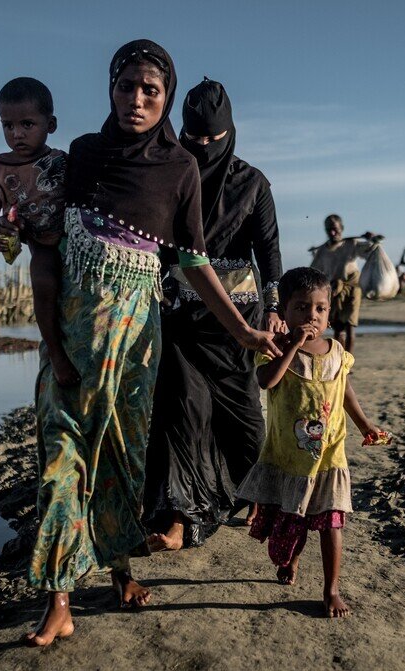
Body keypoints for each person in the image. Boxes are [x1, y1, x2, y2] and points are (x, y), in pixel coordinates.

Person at [0, 39, 281, 647]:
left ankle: (119, 571)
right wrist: (51, 338)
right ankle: (60, 602)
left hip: (133, 351)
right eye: (127, 86)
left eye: (151, 90)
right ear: (110, 89)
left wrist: (247, 329)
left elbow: (196, 263)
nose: (137, 100)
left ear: (166, 98)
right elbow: (46, 247)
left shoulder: (177, 169)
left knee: (119, 464)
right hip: (70, 346)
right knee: (61, 469)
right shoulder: (81, 157)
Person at [142, 77, 284, 551]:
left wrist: (276, 311)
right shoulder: (169, 177)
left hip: (238, 327)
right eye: (193, 139)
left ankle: (254, 496)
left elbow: (269, 256)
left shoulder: (253, 183)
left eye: (213, 140)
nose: (202, 148)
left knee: (246, 421)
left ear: (230, 133)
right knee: (182, 412)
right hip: (180, 318)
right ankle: (180, 518)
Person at [235, 267, 389, 618]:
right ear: (284, 312)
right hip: (290, 457)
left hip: (330, 456)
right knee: (296, 519)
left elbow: (344, 390)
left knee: (331, 521)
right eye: (302, 308)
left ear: (329, 312)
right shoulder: (274, 348)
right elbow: (267, 382)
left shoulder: (337, 350)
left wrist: (364, 424)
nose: (312, 316)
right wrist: (293, 345)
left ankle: (331, 589)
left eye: (320, 308)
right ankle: (292, 561)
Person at [0, 77, 70, 382]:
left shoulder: (60, 161)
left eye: (27, 124)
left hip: (73, 241)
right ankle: (56, 352)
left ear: (50, 124)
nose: (16, 134)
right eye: (8, 125)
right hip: (39, 243)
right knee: (42, 286)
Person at [309, 215, 379, 354]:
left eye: (335, 229)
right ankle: (340, 361)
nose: (332, 233)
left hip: (352, 288)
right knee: (337, 327)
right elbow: (313, 271)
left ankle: (349, 362)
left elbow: (370, 252)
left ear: (342, 228)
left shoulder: (351, 244)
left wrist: (371, 240)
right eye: (329, 230)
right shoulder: (322, 251)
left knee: (349, 326)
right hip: (334, 290)